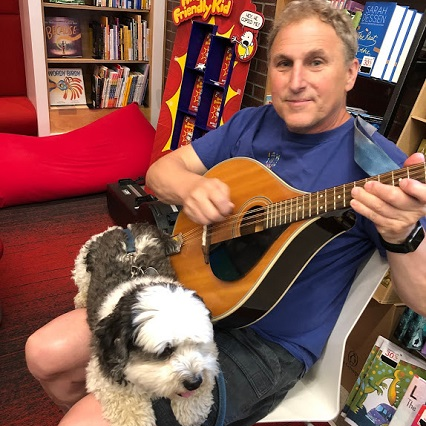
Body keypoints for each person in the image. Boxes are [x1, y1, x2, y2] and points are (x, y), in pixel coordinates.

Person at [25, 1, 426, 425]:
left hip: (266, 343)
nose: (296, 81)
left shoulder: (384, 172)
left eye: (316, 62)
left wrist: (404, 235)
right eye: (283, 63)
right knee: (43, 355)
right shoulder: (252, 122)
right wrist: (191, 187)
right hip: (188, 296)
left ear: (350, 72)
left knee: (85, 420)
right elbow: (160, 172)